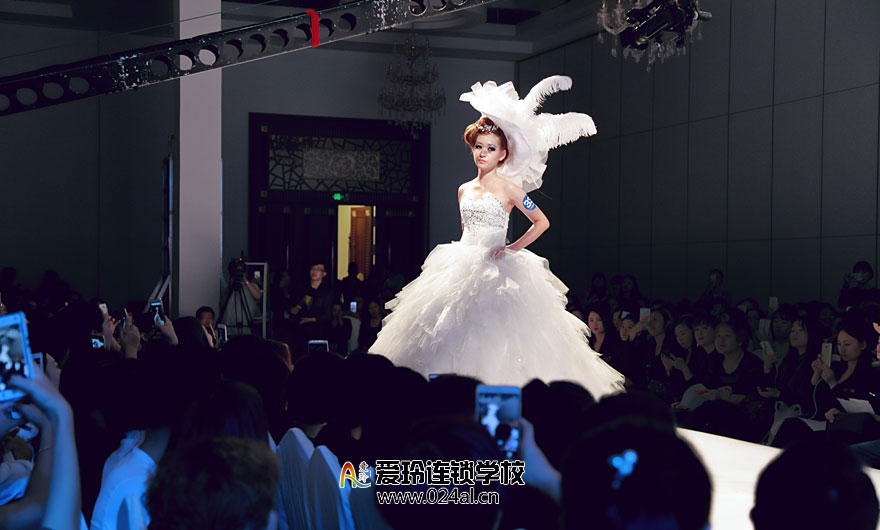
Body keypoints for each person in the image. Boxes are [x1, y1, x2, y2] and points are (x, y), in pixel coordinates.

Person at [369, 76, 623, 396]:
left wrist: (512, 248)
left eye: (490, 148)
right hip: (459, 264)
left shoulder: (510, 189)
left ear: (503, 154)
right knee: (442, 333)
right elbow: (465, 229)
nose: (483, 153)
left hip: (497, 265)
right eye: (479, 147)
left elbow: (541, 222)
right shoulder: (463, 189)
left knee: (498, 336)